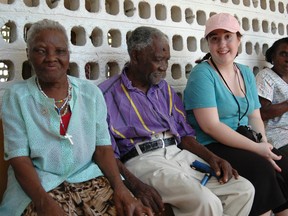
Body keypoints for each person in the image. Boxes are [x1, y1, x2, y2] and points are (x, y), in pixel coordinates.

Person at [0, 19, 153, 216]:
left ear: (68, 55)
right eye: (41, 50)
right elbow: (19, 158)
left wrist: (121, 188)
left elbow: (103, 148)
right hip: (39, 187)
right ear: (29, 54)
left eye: (60, 51)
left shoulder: (91, 94)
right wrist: (43, 204)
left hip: (89, 179)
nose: (51, 58)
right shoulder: (16, 97)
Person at [99, 26, 255, 216]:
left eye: (166, 60)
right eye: (158, 60)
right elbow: (106, 152)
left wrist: (213, 158)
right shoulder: (105, 95)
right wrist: (135, 186)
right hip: (143, 159)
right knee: (206, 202)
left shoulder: (164, 89)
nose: (164, 67)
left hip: (178, 154)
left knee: (242, 189)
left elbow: (184, 136)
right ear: (136, 55)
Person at [183, 13, 288, 216]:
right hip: (211, 143)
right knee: (261, 169)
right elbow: (210, 126)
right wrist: (257, 149)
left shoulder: (245, 72)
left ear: (239, 39)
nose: (222, 44)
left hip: (243, 138)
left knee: (280, 164)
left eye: (228, 36)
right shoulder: (202, 74)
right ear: (208, 43)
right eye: (215, 38)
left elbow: (254, 116)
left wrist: (263, 143)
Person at [256, 37, 288, 156]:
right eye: (283, 54)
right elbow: (261, 113)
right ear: (273, 56)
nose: (287, 59)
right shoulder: (266, 77)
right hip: (277, 137)